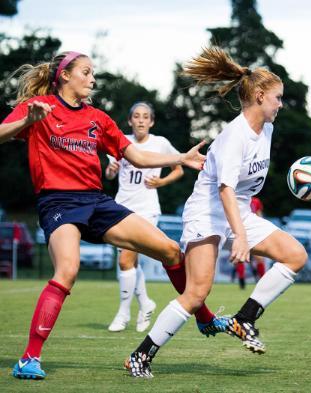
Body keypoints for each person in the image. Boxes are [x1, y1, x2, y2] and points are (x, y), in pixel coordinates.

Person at [0, 51, 219, 380]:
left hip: (97, 202)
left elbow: (136, 156)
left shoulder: (98, 119)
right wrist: (27, 121)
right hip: (58, 203)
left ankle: (203, 316)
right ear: (64, 76)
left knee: (171, 250)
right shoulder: (40, 107)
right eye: (86, 72)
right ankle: (29, 358)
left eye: (93, 73)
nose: (92, 79)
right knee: (68, 270)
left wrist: (180, 158)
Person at [126, 46, 308, 378]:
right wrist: (239, 235)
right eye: (278, 98)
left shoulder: (266, 129)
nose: (281, 104)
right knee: (196, 294)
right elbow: (224, 189)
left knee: (295, 255)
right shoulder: (235, 135)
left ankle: (245, 318)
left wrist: (241, 228)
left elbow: (237, 193)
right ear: (259, 96)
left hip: (237, 211)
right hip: (207, 213)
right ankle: (140, 355)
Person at [105, 101, 183, 333]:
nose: (140, 120)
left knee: (124, 261)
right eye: (136, 116)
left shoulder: (160, 143)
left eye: (145, 116)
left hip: (147, 210)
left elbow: (178, 168)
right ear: (130, 121)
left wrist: (161, 181)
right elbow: (109, 174)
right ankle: (146, 303)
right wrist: (111, 171)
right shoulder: (122, 141)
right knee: (131, 262)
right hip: (121, 208)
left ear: (152, 121)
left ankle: (123, 313)